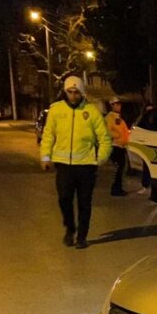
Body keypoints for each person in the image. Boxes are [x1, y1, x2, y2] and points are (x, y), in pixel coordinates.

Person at [40, 76, 112, 249]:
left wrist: (100, 158)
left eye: (76, 92)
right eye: (70, 92)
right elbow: (48, 135)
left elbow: (105, 138)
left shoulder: (92, 112)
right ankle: (70, 227)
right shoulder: (56, 110)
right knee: (64, 198)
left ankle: (81, 237)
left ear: (82, 93)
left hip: (86, 166)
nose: (73, 96)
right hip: (64, 166)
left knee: (84, 202)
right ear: (65, 92)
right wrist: (45, 157)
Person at [105, 96, 129, 196]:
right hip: (115, 146)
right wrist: (117, 135)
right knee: (118, 168)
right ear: (112, 105)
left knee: (120, 169)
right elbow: (108, 131)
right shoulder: (110, 117)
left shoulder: (118, 117)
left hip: (121, 146)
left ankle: (118, 188)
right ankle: (115, 189)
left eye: (119, 104)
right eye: (117, 104)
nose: (119, 106)